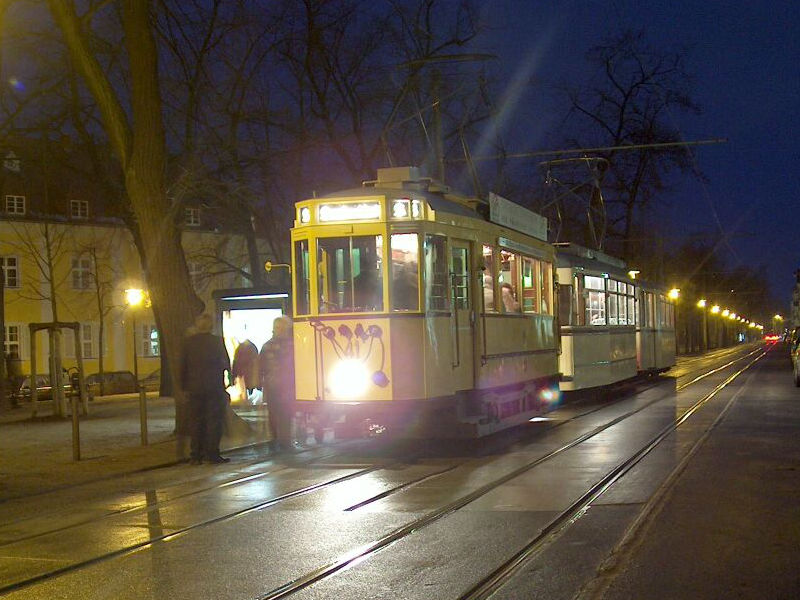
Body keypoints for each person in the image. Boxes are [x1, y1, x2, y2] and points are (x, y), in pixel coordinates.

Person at [180, 313, 231, 464]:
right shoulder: (217, 342)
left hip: (194, 388)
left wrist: (184, 386)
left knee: (196, 422)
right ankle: (212, 454)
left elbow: (183, 366)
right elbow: (225, 362)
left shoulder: (188, 343)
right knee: (214, 422)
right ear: (211, 326)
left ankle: (196, 455)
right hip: (214, 387)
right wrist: (228, 378)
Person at [259, 316, 296, 451]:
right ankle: (285, 441)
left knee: (275, 413)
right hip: (286, 384)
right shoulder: (293, 344)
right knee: (285, 413)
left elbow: (261, 366)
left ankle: (276, 440)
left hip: (273, 384)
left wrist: (260, 381)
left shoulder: (267, 346)